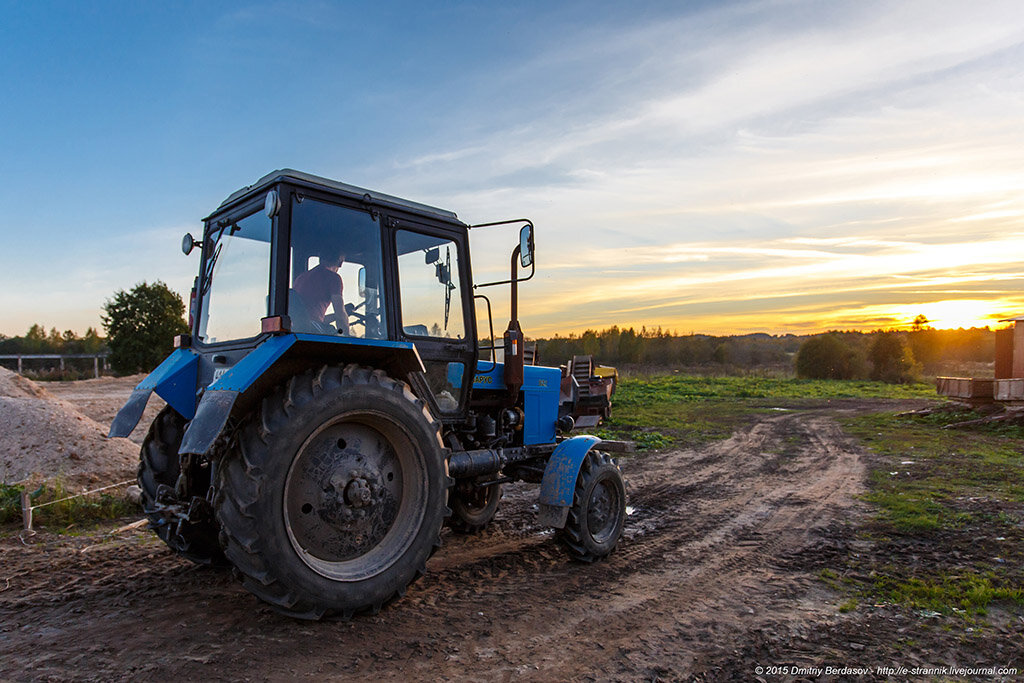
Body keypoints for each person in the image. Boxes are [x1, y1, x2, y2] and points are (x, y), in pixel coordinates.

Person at [293, 248, 351, 335]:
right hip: (312, 329)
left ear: (321, 258)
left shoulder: (301, 277)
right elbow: (340, 316)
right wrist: (347, 338)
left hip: (300, 328)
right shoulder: (333, 278)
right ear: (340, 262)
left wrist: (345, 313)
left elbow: (313, 319)